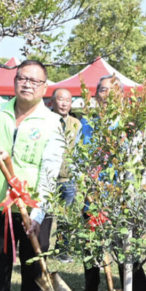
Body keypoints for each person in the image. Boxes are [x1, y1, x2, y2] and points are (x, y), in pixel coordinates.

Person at [0, 60, 65, 291]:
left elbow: (50, 170)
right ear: (15, 81)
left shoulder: (52, 122)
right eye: (22, 78)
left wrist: (38, 215)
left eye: (34, 80)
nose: (27, 84)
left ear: (45, 87)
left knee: (34, 268)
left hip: (33, 208)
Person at [76, 75, 146, 291]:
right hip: (92, 200)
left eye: (113, 91)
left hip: (121, 204)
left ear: (121, 96)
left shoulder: (129, 125)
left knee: (128, 259)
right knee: (92, 256)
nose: (107, 95)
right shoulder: (86, 124)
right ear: (95, 95)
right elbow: (79, 159)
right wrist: (86, 190)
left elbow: (138, 164)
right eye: (102, 90)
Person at [50, 87, 81, 263]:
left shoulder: (76, 123)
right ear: (52, 101)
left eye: (68, 100)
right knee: (44, 217)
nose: (64, 103)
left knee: (66, 217)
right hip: (47, 178)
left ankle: (62, 250)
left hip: (67, 178)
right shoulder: (45, 120)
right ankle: (39, 248)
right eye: (60, 99)